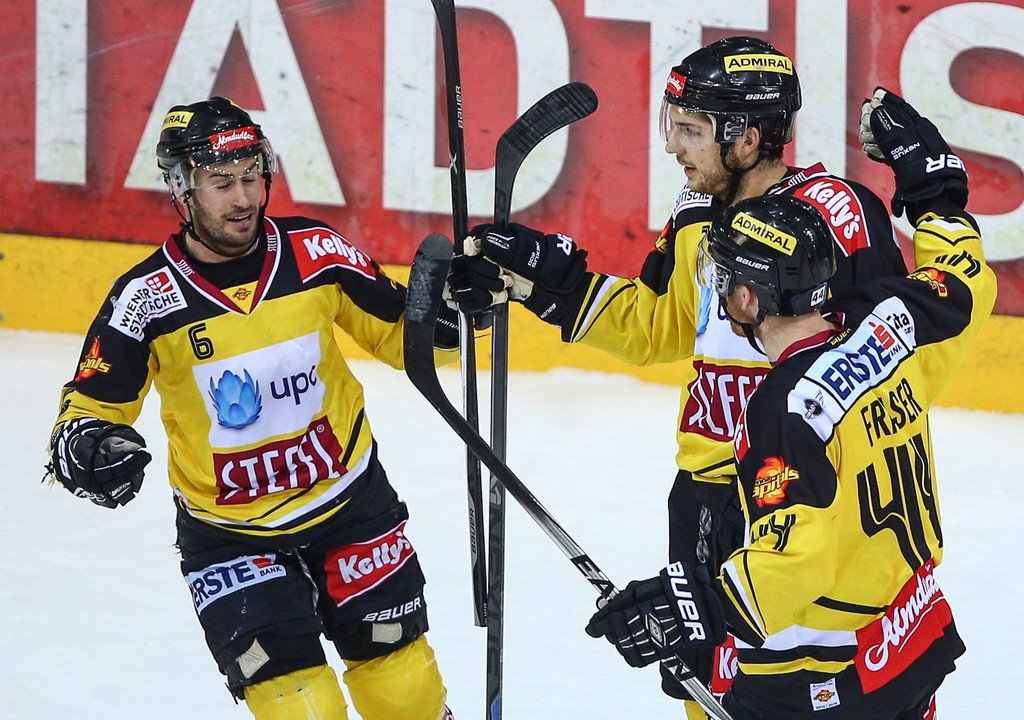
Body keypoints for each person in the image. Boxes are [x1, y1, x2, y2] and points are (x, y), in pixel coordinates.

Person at [448, 35, 907, 714]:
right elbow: (657, 324)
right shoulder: (697, 214)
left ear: (747, 137)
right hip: (704, 495)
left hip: (798, 498)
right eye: (674, 126)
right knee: (701, 682)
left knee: (799, 689)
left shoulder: (836, 216)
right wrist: (544, 284)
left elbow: (895, 346)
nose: (672, 146)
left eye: (690, 130)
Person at [583, 88, 993, 719]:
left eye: (725, 282)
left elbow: (799, 555)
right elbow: (965, 283)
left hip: (817, 660)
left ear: (748, 299)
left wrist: (691, 604)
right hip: (907, 629)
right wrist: (935, 196)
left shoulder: (784, 408)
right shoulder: (896, 327)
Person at [46, 97, 458, 720]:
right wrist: (89, 445)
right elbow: (90, 405)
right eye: (221, 183)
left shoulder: (316, 252)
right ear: (182, 190)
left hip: (350, 503)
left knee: (404, 691)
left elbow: (409, 342)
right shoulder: (145, 299)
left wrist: (452, 316)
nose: (242, 198)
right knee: (300, 707)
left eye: (250, 177)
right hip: (230, 537)